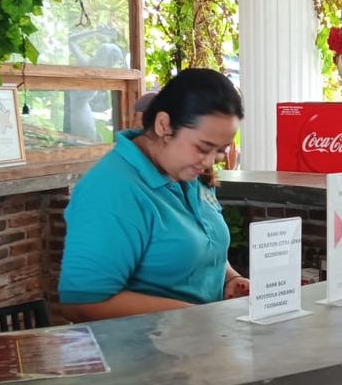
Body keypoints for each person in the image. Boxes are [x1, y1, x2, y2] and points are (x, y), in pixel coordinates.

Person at [59, 69, 250, 323]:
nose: (208, 162)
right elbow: (82, 304)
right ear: (164, 125)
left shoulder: (187, 173)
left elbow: (201, 246)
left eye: (219, 151)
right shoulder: (110, 190)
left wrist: (230, 278)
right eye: (202, 148)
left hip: (200, 338)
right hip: (143, 346)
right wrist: (194, 316)